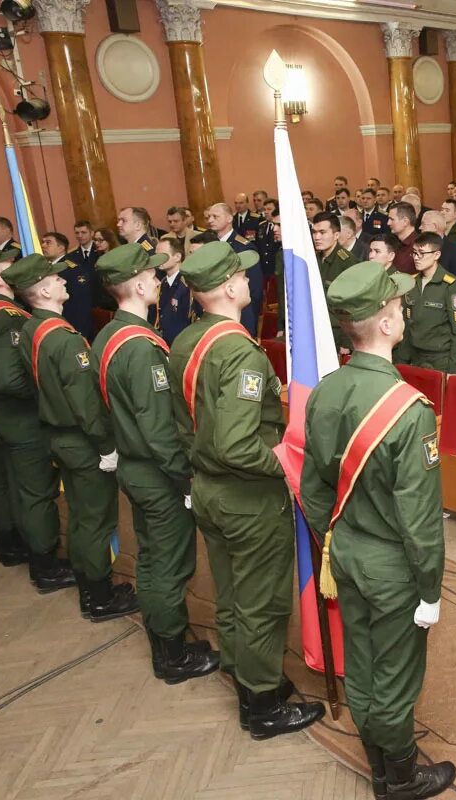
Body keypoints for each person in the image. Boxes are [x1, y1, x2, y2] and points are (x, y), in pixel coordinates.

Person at [300, 261, 456, 800]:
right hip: (393, 565)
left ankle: (379, 765)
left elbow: (313, 488)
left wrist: (338, 540)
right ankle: (403, 777)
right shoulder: (409, 411)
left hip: (345, 550)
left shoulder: (324, 390)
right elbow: (419, 520)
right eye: (399, 308)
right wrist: (430, 589)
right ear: (388, 324)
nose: (403, 314)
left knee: (361, 661)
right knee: (395, 675)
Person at [168, 241, 324, 739]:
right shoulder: (240, 353)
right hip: (248, 499)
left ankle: (246, 676)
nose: (250, 282)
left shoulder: (187, 339)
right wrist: (283, 467)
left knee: (233, 595)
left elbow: (187, 425)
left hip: (209, 490)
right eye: (244, 275)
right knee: (262, 604)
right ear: (231, 286)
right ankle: (262, 708)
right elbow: (237, 443)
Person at [93, 243, 219, 683]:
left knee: (150, 559)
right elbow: (159, 428)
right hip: (156, 474)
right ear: (142, 284)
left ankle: (166, 639)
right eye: (151, 274)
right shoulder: (141, 348)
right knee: (170, 563)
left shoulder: (108, 334)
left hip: (133, 465)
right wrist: (185, 479)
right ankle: (171, 655)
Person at [7, 252, 140, 617]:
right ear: (44, 289)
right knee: (96, 519)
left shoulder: (31, 328)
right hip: (81, 441)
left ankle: (88, 583)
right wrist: (107, 446)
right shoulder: (64, 339)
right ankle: (99, 597)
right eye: (57, 278)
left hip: (57, 435)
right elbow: (85, 403)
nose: (65, 281)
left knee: (82, 517)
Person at [0, 245, 60, 571]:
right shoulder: (6, 318)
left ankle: (32, 548)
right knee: (36, 492)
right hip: (19, 417)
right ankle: (44, 563)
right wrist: (43, 396)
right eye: (8, 265)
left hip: (0, 414)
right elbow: (8, 379)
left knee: (21, 488)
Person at [396, 231, 456, 373]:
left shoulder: (451, 285)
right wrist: (401, 361)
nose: (416, 258)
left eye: (422, 253)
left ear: (437, 255)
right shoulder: (411, 282)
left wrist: (453, 368)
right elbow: (407, 325)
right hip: (414, 356)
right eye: (414, 253)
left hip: (439, 359)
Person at [205, 203, 262, 336]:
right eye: (209, 217)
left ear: (229, 218)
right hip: (215, 311)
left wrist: (250, 316)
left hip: (240, 312)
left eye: (215, 216)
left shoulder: (243, 247)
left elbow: (254, 287)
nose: (210, 220)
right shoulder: (209, 244)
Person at [152, 235, 197, 344]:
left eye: (163, 255)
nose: (158, 259)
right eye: (156, 255)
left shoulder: (189, 284)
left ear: (177, 257)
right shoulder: (161, 283)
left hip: (183, 344)